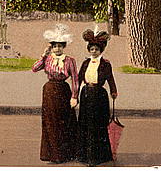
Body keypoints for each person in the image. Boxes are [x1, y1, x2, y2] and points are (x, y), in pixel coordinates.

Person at [32, 24, 80, 163]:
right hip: (49, 92)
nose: (57, 49)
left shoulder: (70, 60)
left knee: (64, 122)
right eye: (54, 46)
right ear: (51, 47)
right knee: (50, 122)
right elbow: (34, 68)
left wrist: (74, 96)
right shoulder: (48, 59)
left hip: (63, 91)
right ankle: (52, 154)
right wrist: (43, 55)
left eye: (60, 46)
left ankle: (65, 154)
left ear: (63, 46)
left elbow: (75, 79)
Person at [76, 29, 117, 166]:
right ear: (89, 50)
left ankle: (98, 156)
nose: (94, 51)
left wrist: (113, 91)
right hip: (87, 94)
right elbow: (79, 78)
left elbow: (110, 78)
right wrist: (75, 94)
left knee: (98, 125)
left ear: (101, 50)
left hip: (99, 95)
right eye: (91, 49)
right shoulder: (86, 63)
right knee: (86, 124)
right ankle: (85, 155)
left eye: (96, 49)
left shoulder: (106, 64)